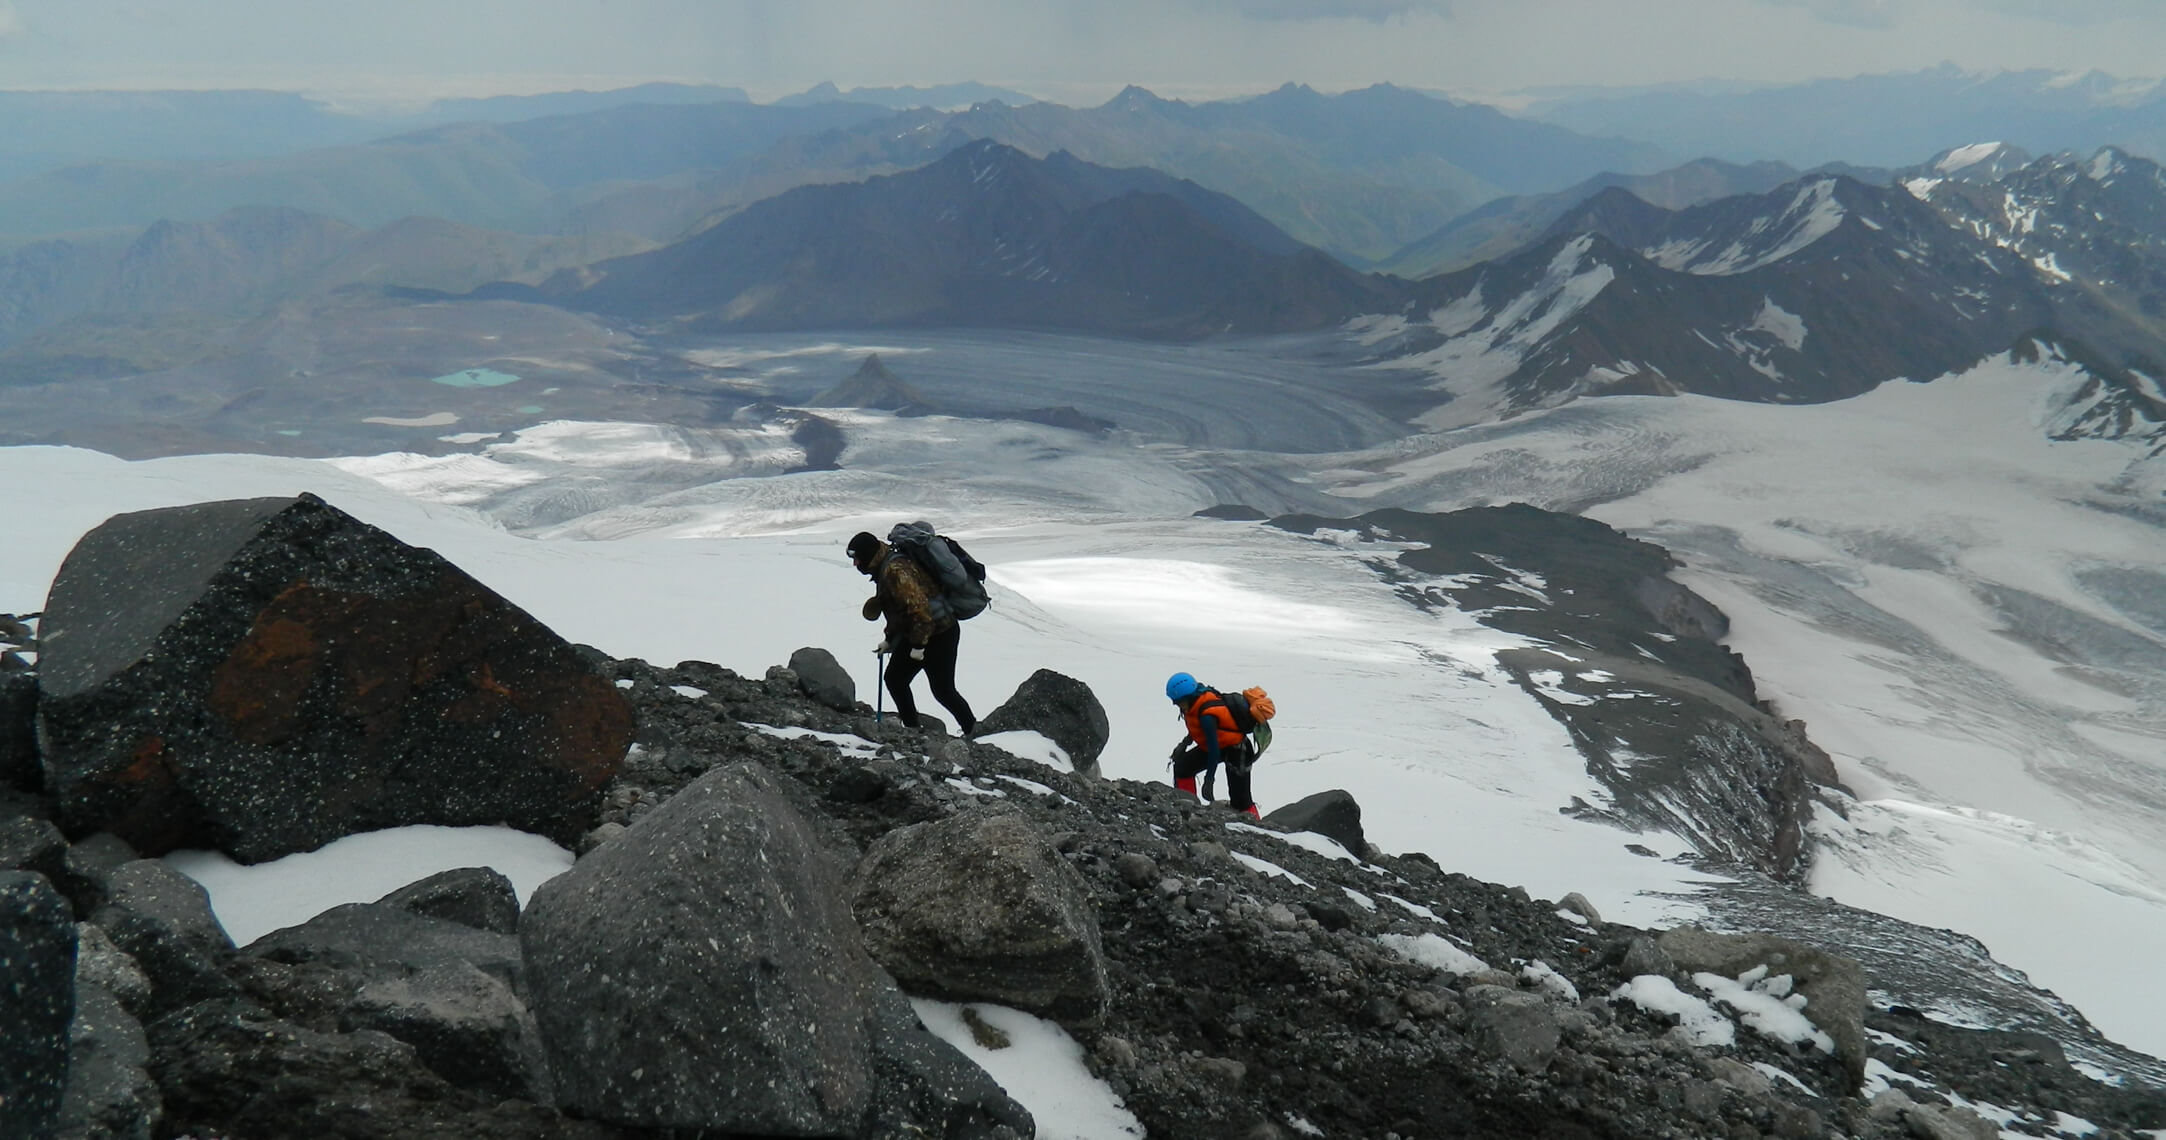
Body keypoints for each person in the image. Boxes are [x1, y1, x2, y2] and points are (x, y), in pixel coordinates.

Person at [849, 531, 976, 734]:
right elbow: (898, 610)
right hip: (923, 632)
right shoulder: (885, 567)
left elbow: (920, 611)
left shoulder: (895, 571)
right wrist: (889, 639)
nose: (855, 564)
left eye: (857, 558)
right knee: (896, 679)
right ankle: (912, 730)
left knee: (942, 690)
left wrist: (918, 646)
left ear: (868, 555)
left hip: (939, 632)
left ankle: (973, 731)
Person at [1165, 672, 1258, 818]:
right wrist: (1184, 744)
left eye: (1177, 701)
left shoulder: (1207, 716)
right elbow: (1198, 730)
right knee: (1182, 768)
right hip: (1219, 744)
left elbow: (1214, 751)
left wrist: (1209, 780)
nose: (1175, 704)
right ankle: (1188, 808)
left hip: (1238, 749)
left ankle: (1258, 827)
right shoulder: (1193, 704)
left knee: (1241, 800)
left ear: (1187, 697)